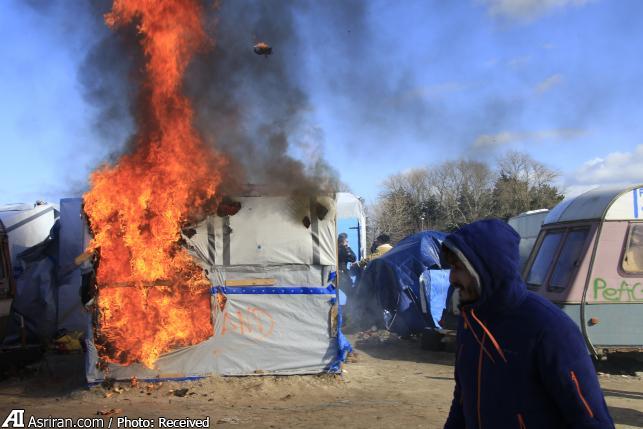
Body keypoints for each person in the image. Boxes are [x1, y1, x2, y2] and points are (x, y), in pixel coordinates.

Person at [442, 219, 613, 429]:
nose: (452, 278)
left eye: (459, 268)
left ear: (488, 269)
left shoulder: (548, 327)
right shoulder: (471, 322)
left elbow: (589, 417)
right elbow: (462, 398)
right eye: (451, 267)